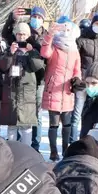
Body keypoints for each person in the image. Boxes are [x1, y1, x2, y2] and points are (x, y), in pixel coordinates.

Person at [1, 7, 47, 152]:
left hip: (29, 90)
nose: (21, 37)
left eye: (23, 35)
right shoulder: (11, 48)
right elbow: (2, 66)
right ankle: (12, 152)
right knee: (12, 126)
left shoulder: (34, 46)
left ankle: (30, 150)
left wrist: (31, 51)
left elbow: (39, 66)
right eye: (19, 34)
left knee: (28, 125)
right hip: (13, 91)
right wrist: (10, 53)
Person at [39, 18, 81, 161]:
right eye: (63, 30)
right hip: (53, 90)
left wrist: (77, 80)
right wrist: (50, 34)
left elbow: (77, 70)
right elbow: (45, 52)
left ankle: (65, 150)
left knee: (67, 124)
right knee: (53, 124)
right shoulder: (55, 48)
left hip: (67, 91)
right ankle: (53, 151)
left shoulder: (75, 51)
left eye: (68, 30)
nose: (66, 32)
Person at [72, 14, 98, 144]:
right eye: (96, 24)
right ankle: (73, 142)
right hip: (82, 81)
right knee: (77, 115)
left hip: (96, 83)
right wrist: (77, 77)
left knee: (93, 115)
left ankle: (89, 141)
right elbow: (75, 60)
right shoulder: (82, 40)